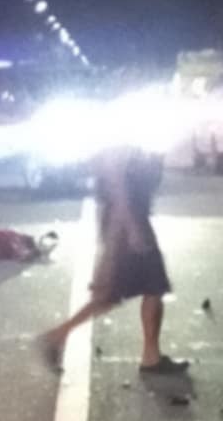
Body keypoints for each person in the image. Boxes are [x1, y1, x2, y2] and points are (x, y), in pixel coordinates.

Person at [37, 147, 183, 375]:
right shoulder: (120, 141)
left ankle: (151, 356)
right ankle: (57, 336)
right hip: (127, 222)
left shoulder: (129, 140)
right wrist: (131, 229)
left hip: (130, 219)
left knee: (145, 288)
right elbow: (118, 188)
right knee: (115, 293)